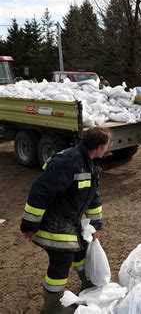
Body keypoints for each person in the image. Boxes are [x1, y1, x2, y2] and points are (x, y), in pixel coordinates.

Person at [20, 127, 110, 314]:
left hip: (71, 221)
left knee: (81, 251)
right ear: (100, 147)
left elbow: (93, 197)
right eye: (106, 146)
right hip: (53, 223)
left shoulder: (90, 163)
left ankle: (88, 285)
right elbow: (39, 191)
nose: (107, 150)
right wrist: (30, 225)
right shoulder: (68, 162)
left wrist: (95, 226)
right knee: (62, 261)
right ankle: (51, 306)